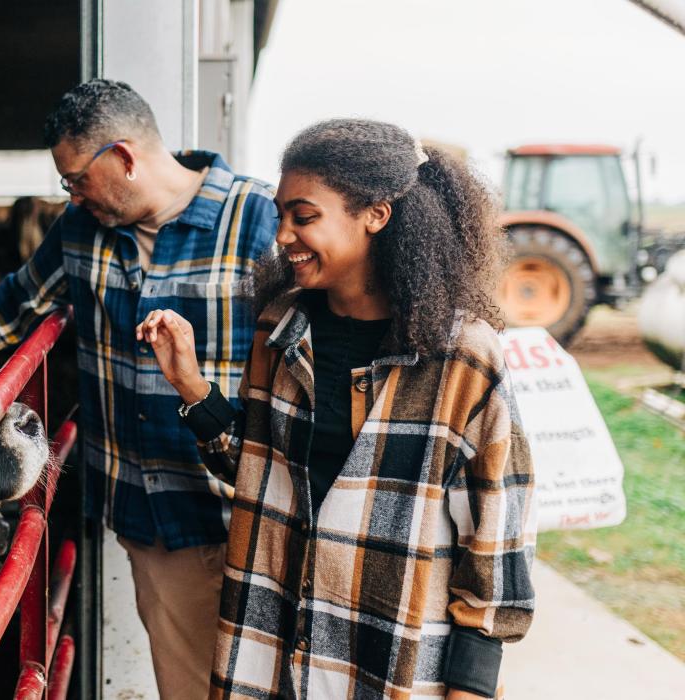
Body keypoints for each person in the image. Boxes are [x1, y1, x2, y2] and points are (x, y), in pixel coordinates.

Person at [0, 79, 278, 699]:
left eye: (75, 178)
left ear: (124, 158)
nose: (69, 194)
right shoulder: (81, 228)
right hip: (153, 518)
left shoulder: (261, 219)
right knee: (187, 685)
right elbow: (15, 301)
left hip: (249, 510)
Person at [138, 119, 535, 699]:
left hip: (390, 658)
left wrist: (470, 686)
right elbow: (257, 476)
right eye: (280, 216)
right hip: (274, 651)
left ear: (375, 214)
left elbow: (496, 535)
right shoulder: (279, 328)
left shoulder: (462, 359)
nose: (282, 235)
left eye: (304, 216)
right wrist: (192, 386)